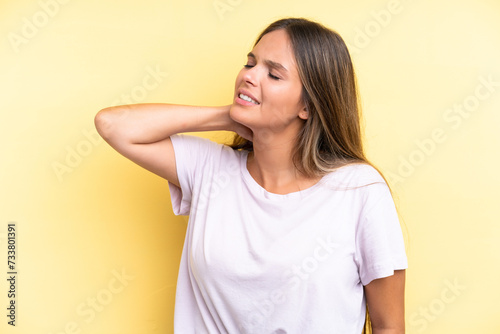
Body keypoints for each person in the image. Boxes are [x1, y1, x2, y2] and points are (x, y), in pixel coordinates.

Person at [95, 17, 407, 334]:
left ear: (308, 107)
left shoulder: (360, 190)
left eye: (273, 74)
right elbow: (112, 125)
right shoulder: (210, 169)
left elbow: (389, 327)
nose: (249, 76)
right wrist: (226, 115)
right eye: (250, 63)